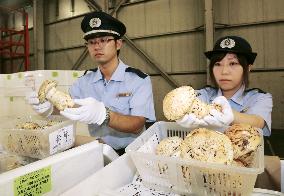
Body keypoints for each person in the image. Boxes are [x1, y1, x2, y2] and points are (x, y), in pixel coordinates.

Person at [26, 11, 156, 154]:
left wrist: (104, 115)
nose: (97, 46)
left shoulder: (138, 80)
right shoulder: (84, 82)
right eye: (92, 42)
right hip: (99, 151)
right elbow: (69, 106)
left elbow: (137, 124)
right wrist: (49, 107)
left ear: (118, 44)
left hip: (134, 153)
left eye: (104, 40)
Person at [177, 36, 273, 136]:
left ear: (248, 68)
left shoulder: (259, 97)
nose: (224, 71)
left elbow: (258, 122)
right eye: (218, 64)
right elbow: (186, 103)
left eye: (233, 63)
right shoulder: (205, 94)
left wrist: (228, 115)